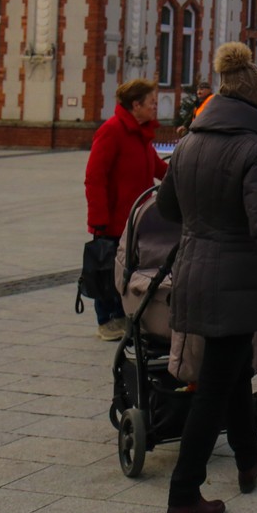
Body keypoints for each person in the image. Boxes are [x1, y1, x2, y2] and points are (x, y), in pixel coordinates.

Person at [157, 42, 257, 513]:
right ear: (256, 103)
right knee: (214, 390)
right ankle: (183, 497)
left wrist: (204, 224)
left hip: (193, 270)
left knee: (234, 368)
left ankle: (247, 459)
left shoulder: (189, 142)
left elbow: (166, 210)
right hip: (236, 279)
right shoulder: (252, 148)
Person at [85, 78, 169, 340]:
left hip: (136, 219)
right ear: (136, 104)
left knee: (128, 270)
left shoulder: (141, 133)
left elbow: (156, 167)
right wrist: (99, 219)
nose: (155, 107)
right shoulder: (112, 131)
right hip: (112, 220)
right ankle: (106, 320)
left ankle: (123, 315)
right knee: (109, 270)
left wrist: (180, 176)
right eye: (151, 103)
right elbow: (94, 177)